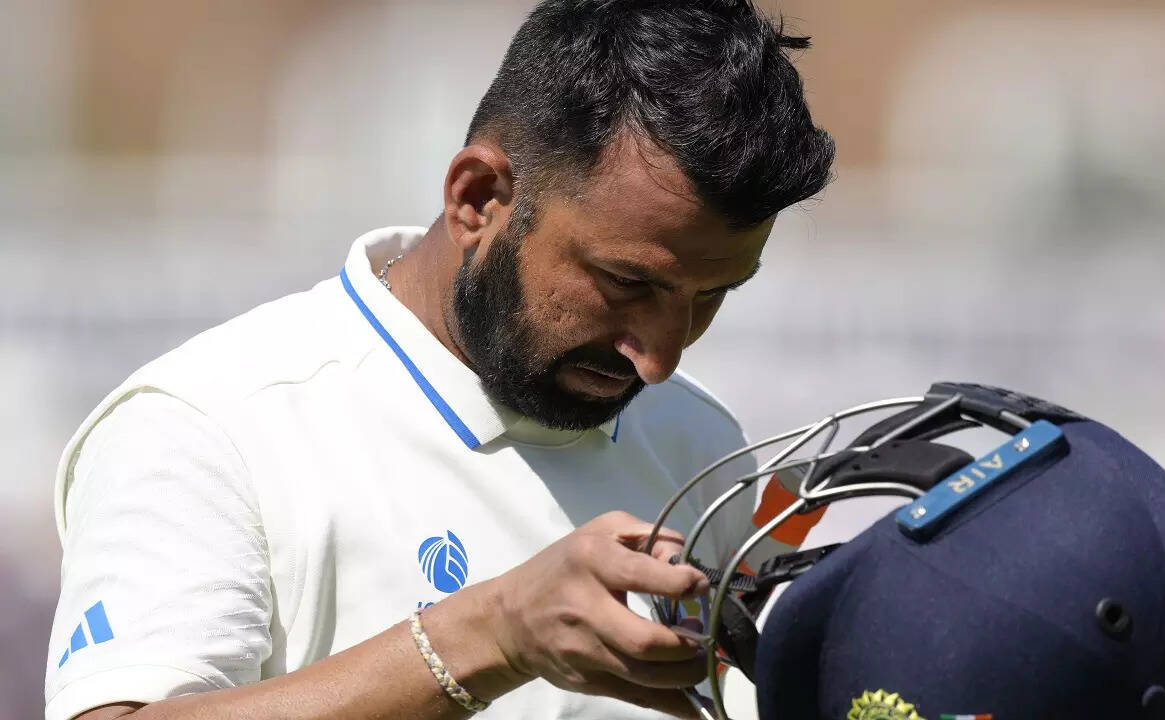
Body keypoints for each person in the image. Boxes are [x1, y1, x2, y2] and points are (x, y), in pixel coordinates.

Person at [44, 1, 835, 719]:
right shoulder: (211, 423)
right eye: (626, 282)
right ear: (478, 197)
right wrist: (492, 633)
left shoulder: (701, 444)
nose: (658, 357)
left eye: (711, 295)